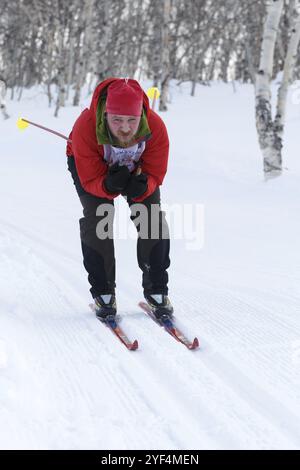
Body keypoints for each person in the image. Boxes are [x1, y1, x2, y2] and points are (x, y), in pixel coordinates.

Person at [66, 77, 173, 321]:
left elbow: (156, 171)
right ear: (106, 115)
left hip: (137, 168)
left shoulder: (155, 127)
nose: (124, 127)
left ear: (140, 117)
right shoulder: (86, 126)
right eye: (117, 120)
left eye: (131, 121)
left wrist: (144, 185)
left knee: (151, 218)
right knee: (100, 217)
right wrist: (108, 185)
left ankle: (157, 290)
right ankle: (104, 293)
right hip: (92, 167)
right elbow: (91, 178)